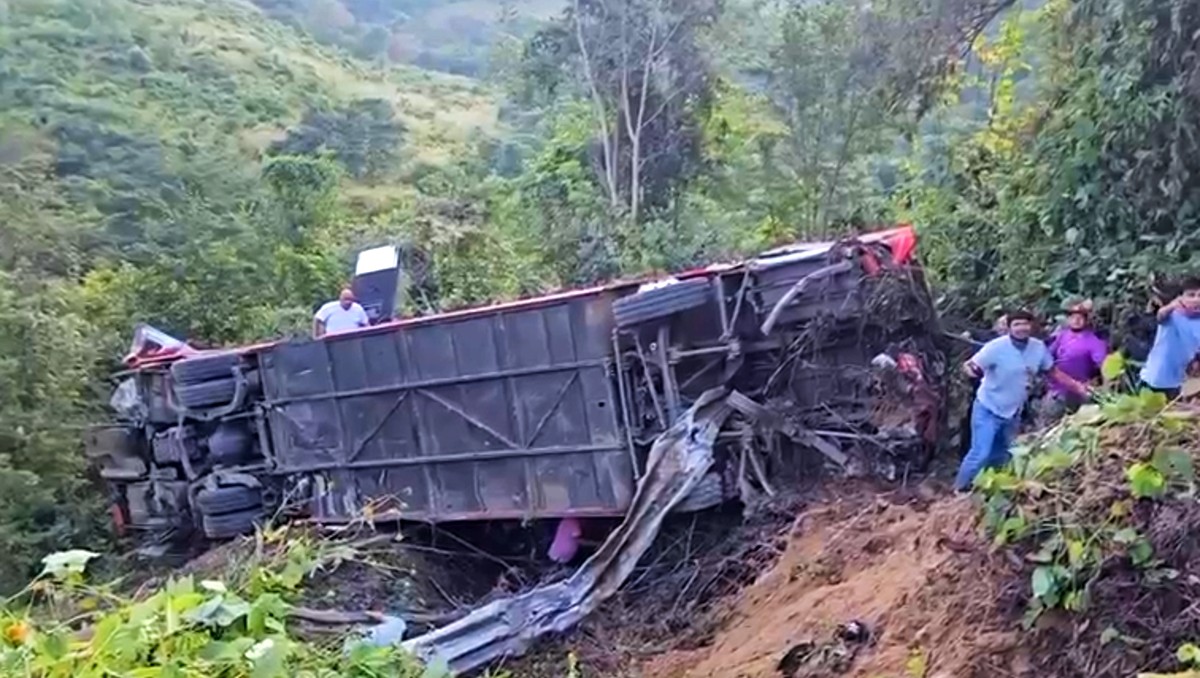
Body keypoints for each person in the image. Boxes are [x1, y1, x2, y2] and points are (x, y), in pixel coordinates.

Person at [955, 310, 1092, 491]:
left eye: (1025, 324)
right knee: (980, 453)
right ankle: (960, 490)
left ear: (1032, 326)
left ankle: (991, 490)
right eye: (1017, 324)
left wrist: (1078, 387)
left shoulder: (1037, 348)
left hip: (1013, 412)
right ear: (1009, 328)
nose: (1021, 328)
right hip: (988, 408)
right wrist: (972, 371)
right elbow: (969, 366)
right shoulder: (995, 347)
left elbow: (1053, 373)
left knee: (1003, 456)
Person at [1039, 299, 1108, 425]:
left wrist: (1105, 387)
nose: (1076, 320)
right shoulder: (1061, 336)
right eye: (1073, 317)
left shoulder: (1094, 342)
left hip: (1080, 390)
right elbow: (1047, 356)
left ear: (1086, 320)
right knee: (1047, 426)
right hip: (1056, 390)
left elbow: (1103, 366)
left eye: (1080, 317)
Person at [1138, 276, 1200, 400]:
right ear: (1180, 297)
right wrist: (1172, 306)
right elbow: (1160, 315)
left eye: (1199, 296)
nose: (1196, 300)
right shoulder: (1172, 314)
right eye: (1191, 295)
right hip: (1154, 379)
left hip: (1181, 383)